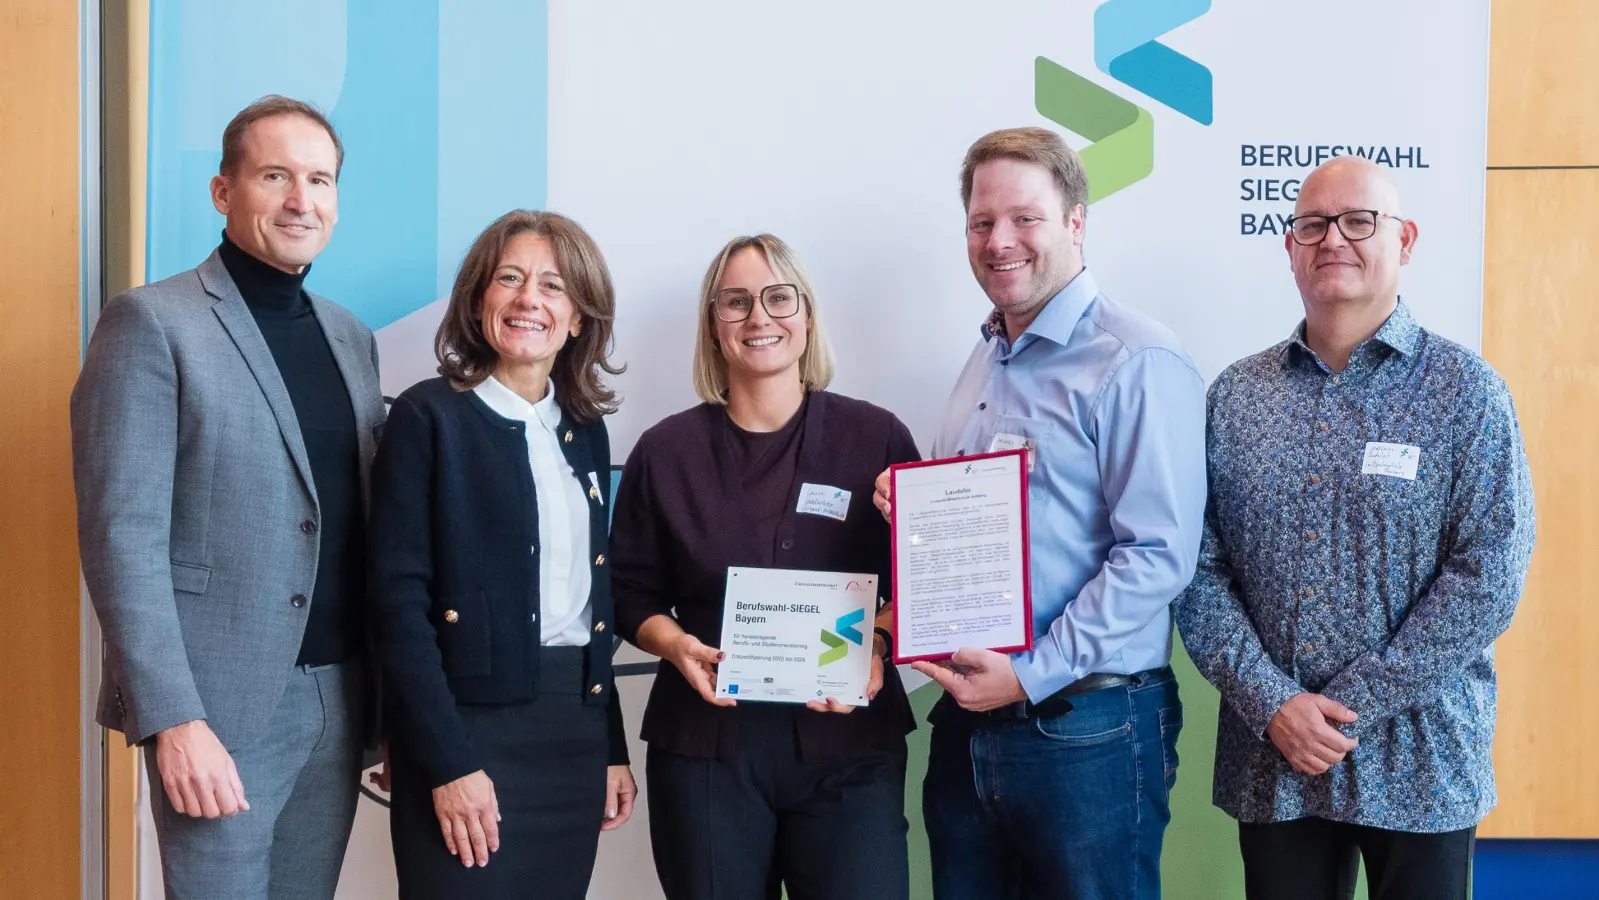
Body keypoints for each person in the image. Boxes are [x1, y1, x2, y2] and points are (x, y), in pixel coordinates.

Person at [1172, 156, 1536, 900]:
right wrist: (1274, 704)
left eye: (1357, 221)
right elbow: (1197, 572)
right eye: (1311, 223)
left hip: (1422, 757)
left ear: (1403, 240)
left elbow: (1488, 577)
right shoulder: (1237, 397)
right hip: (1273, 760)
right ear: (1289, 246)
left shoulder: (1465, 392)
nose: (1332, 238)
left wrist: (1349, 708)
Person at [872, 127, 1207, 899]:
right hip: (969, 724)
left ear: (1076, 223)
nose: (1000, 241)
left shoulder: (1135, 360)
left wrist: (1026, 675)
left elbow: (1157, 555)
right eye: (981, 222)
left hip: (1087, 727)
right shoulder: (985, 357)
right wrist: (913, 506)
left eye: (1025, 218)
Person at [71, 96, 384, 899]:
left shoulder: (351, 337)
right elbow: (122, 538)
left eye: (319, 179)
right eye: (275, 175)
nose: (299, 200)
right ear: (222, 191)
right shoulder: (151, 322)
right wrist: (172, 719)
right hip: (219, 707)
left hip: (340, 697)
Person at [611, 234, 919, 900]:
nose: (759, 317)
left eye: (779, 297)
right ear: (713, 327)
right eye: (736, 302)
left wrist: (882, 643)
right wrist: (674, 645)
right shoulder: (664, 452)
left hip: (849, 746)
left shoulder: (877, 438)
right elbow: (628, 590)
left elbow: (922, 581)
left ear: (806, 317)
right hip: (706, 749)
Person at [367, 210, 635, 898]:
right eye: (509, 279)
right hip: (464, 733)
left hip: (572, 737)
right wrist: (447, 763)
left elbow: (590, 605)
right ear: (478, 299)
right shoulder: (427, 418)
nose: (528, 300)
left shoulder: (586, 430)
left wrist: (610, 748)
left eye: (552, 286)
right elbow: (398, 608)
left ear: (577, 317)